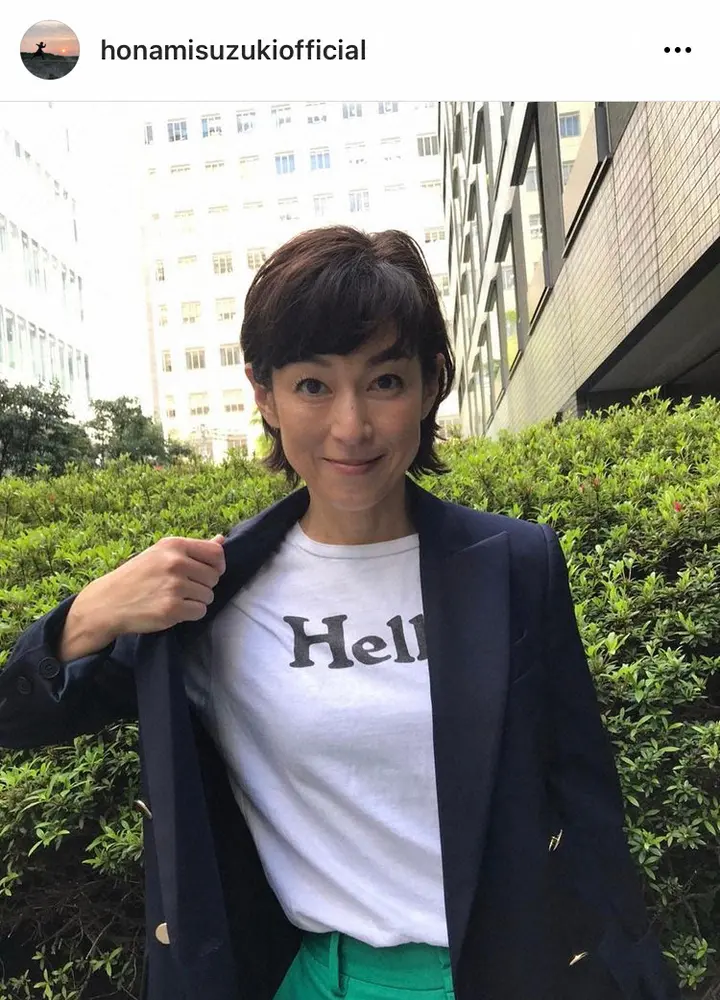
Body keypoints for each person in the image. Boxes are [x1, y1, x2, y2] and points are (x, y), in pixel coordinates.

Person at [0, 226, 681, 1000]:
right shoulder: (210, 598)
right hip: (318, 979)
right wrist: (89, 614)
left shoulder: (514, 565)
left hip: (510, 975)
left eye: (384, 381)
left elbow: (587, 803)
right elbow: (14, 717)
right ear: (265, 394)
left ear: (430, 384)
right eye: (313, 386)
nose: (351, 427)